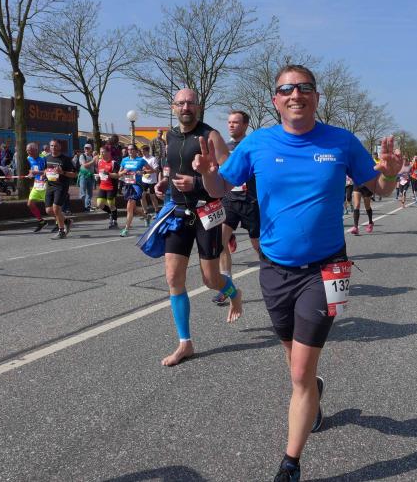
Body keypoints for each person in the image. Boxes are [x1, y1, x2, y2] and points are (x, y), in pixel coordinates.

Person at [193, 64, 402, 482]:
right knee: (294, 362)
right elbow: (220, 190)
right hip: (274, 269)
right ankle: (312, 395)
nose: (296, 94)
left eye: (304, 88)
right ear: (276, 100)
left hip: (327, 269)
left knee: (301, 371)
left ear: (316, 97)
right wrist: (208, 175)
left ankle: (290, 464)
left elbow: (378, 188)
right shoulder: (257, 143)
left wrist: (392, 173)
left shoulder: (341, 141)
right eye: (287, 89)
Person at [153, 87, 244, 367]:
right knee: (173, 278)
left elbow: (228, 179)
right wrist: (164, 184)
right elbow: (173, 168)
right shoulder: (169, 136)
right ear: (173, 107)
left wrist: (197, 182)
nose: (185, 107)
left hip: (207, 211)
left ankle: (234, 293)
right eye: (180, 103)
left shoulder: (211, 136)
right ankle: (185, 343)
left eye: (190, 103)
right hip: (178, 213)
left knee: (211, 280)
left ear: (198, 107)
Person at [212, 110, 261, 306]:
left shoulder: (253, 146)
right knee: (220, 241)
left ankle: (277, 277)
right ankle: (227, 287)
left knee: (258, 246)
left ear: (245, 125)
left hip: (251, 202)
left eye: (236, 122)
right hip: (230, 200)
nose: (231, 125)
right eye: (229, 122)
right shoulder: (224, 148)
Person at [117, 144, 152, 237]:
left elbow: (152, 170)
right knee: (133, 208)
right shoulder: (124, 160)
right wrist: (123, 172)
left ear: (136, 151)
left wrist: (143, 172)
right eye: (128, 149)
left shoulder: (141, 160)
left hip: (137, 186)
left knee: (129, 207)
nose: (130, 151)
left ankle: (126, 229)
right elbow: (119, 173)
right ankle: (146, 216)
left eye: (132, 149)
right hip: (128, 185)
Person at [44, 138, 77, 239]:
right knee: (49, 210)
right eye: (52, 146)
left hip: (61, 186)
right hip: (50, 185)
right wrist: (44, 174)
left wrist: (62, 172)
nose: (53, 148)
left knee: (56, 208)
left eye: (55, 146)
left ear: (60, 147)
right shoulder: (47, 158)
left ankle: (61, 231)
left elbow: (74, 174)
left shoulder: (66, 159)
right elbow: (46, 169)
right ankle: (67, 221)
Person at [25, 142, 49, 232]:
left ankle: (61, 222)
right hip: (37, 184)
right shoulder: (29, 158)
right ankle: (41, 221)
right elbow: (32, 169)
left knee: (50, 208)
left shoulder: (44, 158)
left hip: (45, 184)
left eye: (30, 151)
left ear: (36, 150)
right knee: (30, 204)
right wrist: (30, 173)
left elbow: (48, 170)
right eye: (27, 151)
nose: (28, 153)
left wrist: (38, 173)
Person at [95, 146, 120, 229]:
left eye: (103, 152)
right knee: (99, 204)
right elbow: (101, 173)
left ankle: (114, 221)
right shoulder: (99, 162)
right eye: (100, 152)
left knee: (111, 204)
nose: (101, 154)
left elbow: (117, 175)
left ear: (109, 153)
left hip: (111, 187)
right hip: (102, 186)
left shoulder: (113, 163)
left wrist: (108, 174)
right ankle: (111, 214)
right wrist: (98, 176)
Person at [139, 144, 161, 216]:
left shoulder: (153, 159)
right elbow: (140, 169)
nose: (142, 153)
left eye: (143, 151)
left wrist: (145, 172)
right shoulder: (141, 159)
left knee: (152, 196)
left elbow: (156, 170)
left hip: (152, 180)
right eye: (141, 151)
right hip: (144, 180)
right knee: (142, 196)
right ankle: (145, 212)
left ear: (147, 151)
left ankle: (157, 211)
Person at [77, 143, 97, 212]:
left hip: (90, 176)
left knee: (90, 193)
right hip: (83, 176)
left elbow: (94, 166)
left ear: (91, 149)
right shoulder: (82, 156)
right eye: (85, 148)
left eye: (88, 148)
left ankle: (87, 206)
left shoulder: (92, 156)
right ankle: (82, 207)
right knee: (82, 192)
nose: (86, 149)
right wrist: (93, 161)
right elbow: (85, 165)